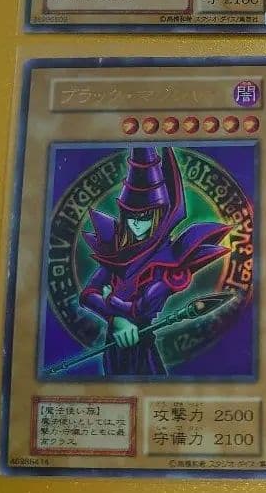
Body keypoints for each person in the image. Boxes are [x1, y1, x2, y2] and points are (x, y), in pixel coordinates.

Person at [79, 146, 230, 375]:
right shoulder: (119, 254)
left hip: (140, 340)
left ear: (159, 215)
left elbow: (141, 308)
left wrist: (110, 300)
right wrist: (116, 319)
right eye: (131, 216)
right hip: (116, 340)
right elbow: (88, 294)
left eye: (145, 217)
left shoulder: (169, 263)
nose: (136, 224)